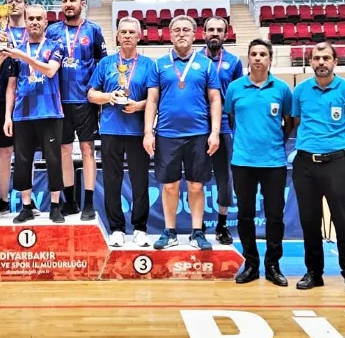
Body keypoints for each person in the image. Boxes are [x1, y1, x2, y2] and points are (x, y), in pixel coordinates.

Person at [292, 42, 345, 295]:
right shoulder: (301, 90)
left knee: (342, 219)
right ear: (310, 62)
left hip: (337, 162)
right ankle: (314, 272)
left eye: (325, 58)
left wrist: (340, 149)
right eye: (316, 58)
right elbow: (297, 121)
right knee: (309, 221)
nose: (321, 62)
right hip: (305, 163)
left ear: (335, 61)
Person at [144, 15, 221, 251]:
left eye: (186, 30)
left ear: (194, 34)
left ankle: (197, 232)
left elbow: (215, 99)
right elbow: (152, 100)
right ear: (170, 35)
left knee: (196, 186)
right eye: (176, 30)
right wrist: (148, 132)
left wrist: (215, 132)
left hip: (199, 134)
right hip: (167, 134)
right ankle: (170, 231)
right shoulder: (159, 64)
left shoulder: (206, 64)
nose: (181, 34)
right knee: (169, 186)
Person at [223, 39, 292, 286]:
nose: (258, 58)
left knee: (275, 216)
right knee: (245, 215)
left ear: (270, 59)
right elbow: (232, 119)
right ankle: (251, 264)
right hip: (243, 162)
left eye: (263, 54)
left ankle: (273, 265)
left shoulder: (282, 89)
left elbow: (289, 123)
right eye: (254, 54)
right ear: (248, 58)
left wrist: (273, 143)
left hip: (274, 163)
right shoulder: (235, 88)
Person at [88, 17, 153, 247]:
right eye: (123, 32)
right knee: (112, 181)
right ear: (117, 36)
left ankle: (140, 228)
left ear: (139, 37)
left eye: (131, 32)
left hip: (137, 132)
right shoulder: (105, 63)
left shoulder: (149, 65)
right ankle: (116, 228)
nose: (127, 36)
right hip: (110, 130)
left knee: (140, 181)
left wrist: (139, 105)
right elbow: (91, 94)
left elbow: (155, 98)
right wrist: (109, 97)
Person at [46, 0, 106, 220]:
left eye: (72, 0)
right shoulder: (52, 31)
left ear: (82, 3)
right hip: (59, 101)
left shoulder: (93, 30)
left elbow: (102, 64)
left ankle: (88, 203)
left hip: (84, 100)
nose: (68, 4)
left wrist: (97, 94)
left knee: (88, 149)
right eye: (64, 0)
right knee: (64, 150)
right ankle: (70, 202)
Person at [3, 6, 66, 223]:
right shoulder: (17, 51)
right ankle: (26, 207)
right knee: (23, 161)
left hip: (50, 112)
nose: (35, 22)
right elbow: (11, 86)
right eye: (31, 18)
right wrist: (7, 116)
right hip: (23, 113)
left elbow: (50, 70)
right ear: (26, 22)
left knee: (53, 159)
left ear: (46, 22)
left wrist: (23, 56)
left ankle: (56, 206)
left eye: (39, 18)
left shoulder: (56, 46)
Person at [200, 17, 243, 245]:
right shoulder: (194, 60)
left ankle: (222, 224)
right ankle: (197, 225)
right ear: (203, 33)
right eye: (211, 29)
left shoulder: (234, 62)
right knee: (196, 175)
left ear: (226, 35)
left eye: (219, 30)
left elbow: (237, 97)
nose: (215, 33)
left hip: (225, 126)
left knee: (224, 177)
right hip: (198, 125)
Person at [0, 0, 29, 216]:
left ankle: (28, 200)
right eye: (10, 1)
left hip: (29, 95)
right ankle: (3, 199)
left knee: (25, 152)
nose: (14, 4)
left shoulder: (34, 28)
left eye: (18, 1)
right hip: (1, 95)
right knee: (4, 151)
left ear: (25, 5)